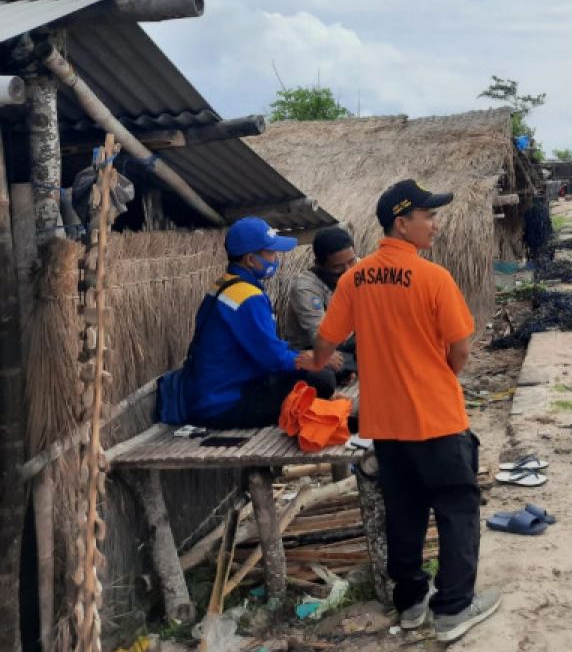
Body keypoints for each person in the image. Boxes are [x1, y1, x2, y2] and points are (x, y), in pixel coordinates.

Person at [313, 180, 500, 643]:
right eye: (428, 216)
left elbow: (324, 344)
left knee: (405, 513)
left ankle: (412, 603)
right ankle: (455, 608)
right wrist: (440, 375)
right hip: (436, 417)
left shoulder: (353, 279)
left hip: (386, 423)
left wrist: (314, 364)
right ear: (403, 221)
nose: (435, 224)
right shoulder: (433, 278)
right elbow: (460, 349)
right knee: (458, 508)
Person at [157, 217, 338, 429]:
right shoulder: (248, 297)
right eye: (271, 253)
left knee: (318, 369)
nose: (276, 258)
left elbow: (267, 349)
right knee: (322, 379)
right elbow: (274, 360)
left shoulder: (224, 284)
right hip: (224, 405)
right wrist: (316, 359)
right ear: (251, 260)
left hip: (208, 395)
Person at [281, 226, 359, 382]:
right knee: (324, 375)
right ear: (319, 264)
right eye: (338, 267)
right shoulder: (305, 288)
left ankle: (353, 366)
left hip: (349, 341)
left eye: (352, 261)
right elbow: (320, 338)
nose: (348, 271)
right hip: (316, 347)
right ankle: (354, 366)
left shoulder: (360, 268)